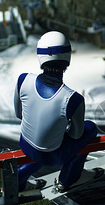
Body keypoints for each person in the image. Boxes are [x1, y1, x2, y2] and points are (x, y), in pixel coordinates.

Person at [14, 31, 99, 192]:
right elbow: (76, 135)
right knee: (90, 128)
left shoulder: (23, 79)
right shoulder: (72, 99)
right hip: (52, 156)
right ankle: (70, 178)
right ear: (67, 58)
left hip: (24, 143)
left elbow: (19, 114)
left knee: (44, 142)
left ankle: (19, 178)